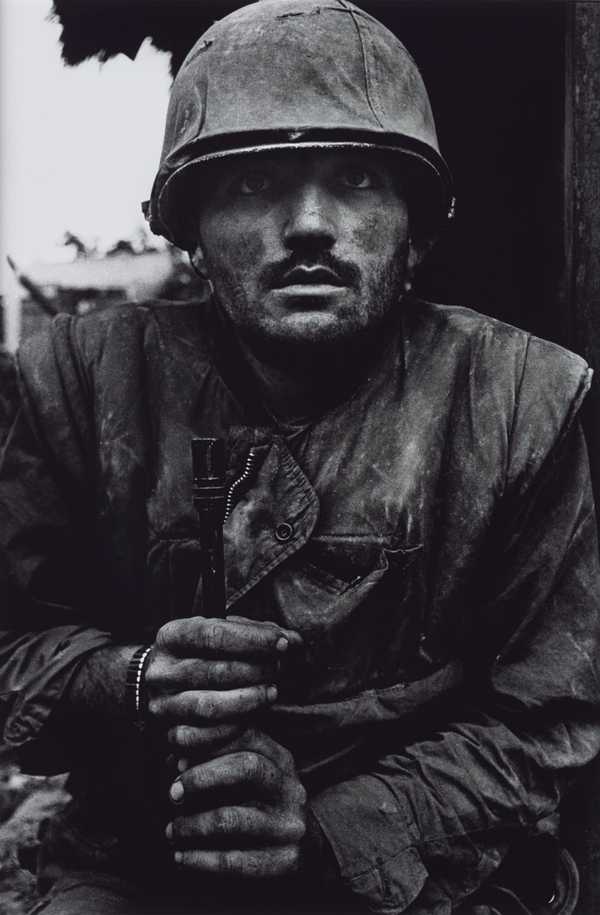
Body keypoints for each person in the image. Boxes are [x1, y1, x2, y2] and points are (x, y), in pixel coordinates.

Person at [1, 1, 599, 913]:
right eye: (252, 185)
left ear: (417, 232)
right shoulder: (78, 382)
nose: (310, 223)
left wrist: (336, 827)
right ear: (192, 229)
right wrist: (129, 678)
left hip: (428, 866)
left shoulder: (523, 399)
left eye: (357, 178)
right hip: (137, 858)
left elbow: (549, 720)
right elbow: (14, 649)